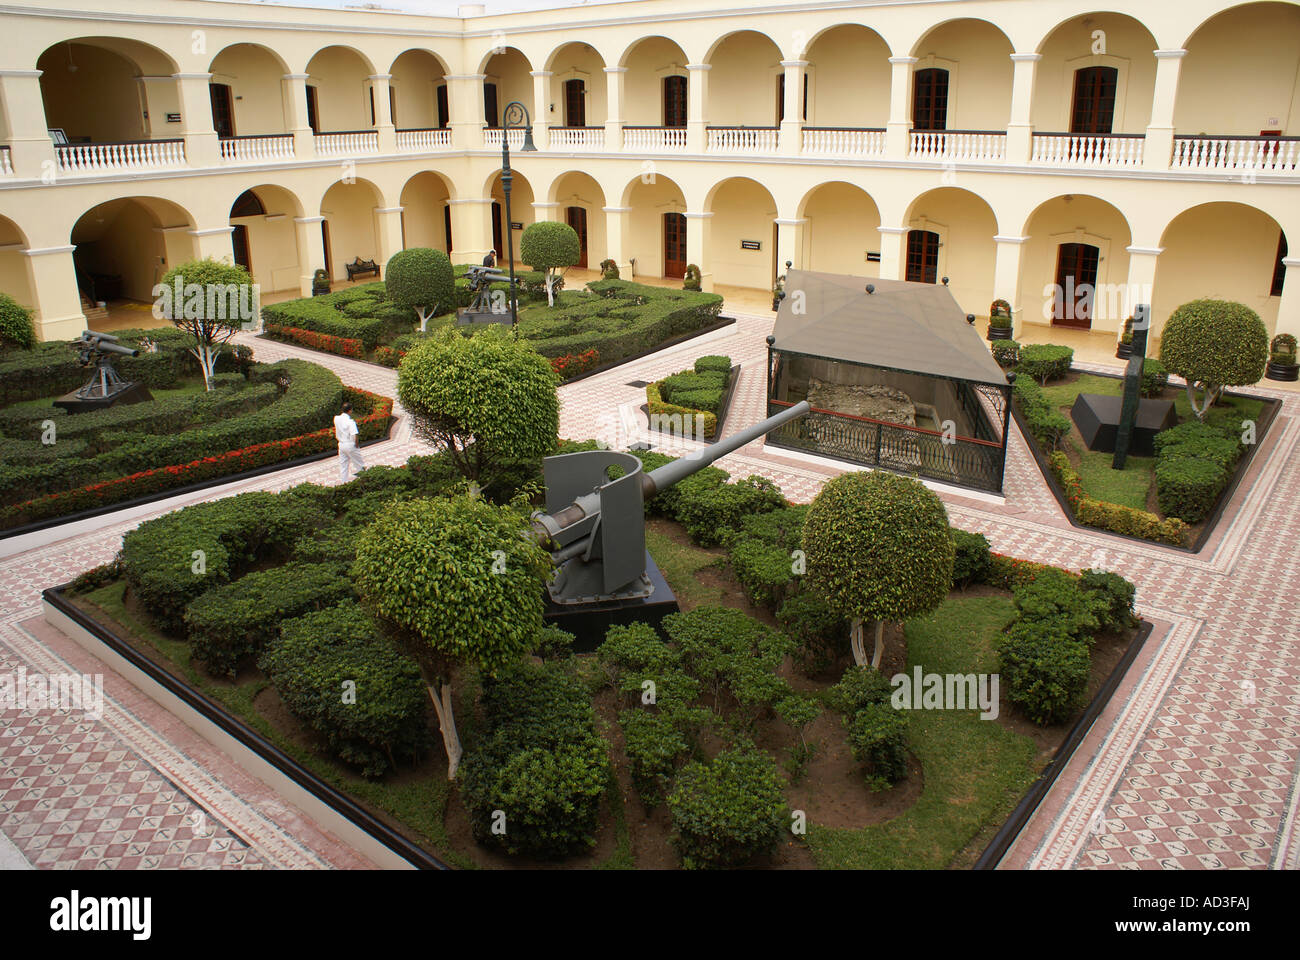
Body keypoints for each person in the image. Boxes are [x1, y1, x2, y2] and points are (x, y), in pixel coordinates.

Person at [334, 401, 365, 482]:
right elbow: (355, 435)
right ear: (350, 410)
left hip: (341, 445)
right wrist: (357, 446)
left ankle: (344, 483)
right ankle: (364, 481)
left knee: (343, 466)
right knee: (359, 464)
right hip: (350, 444)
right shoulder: (350, 422)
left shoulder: (336, 419)